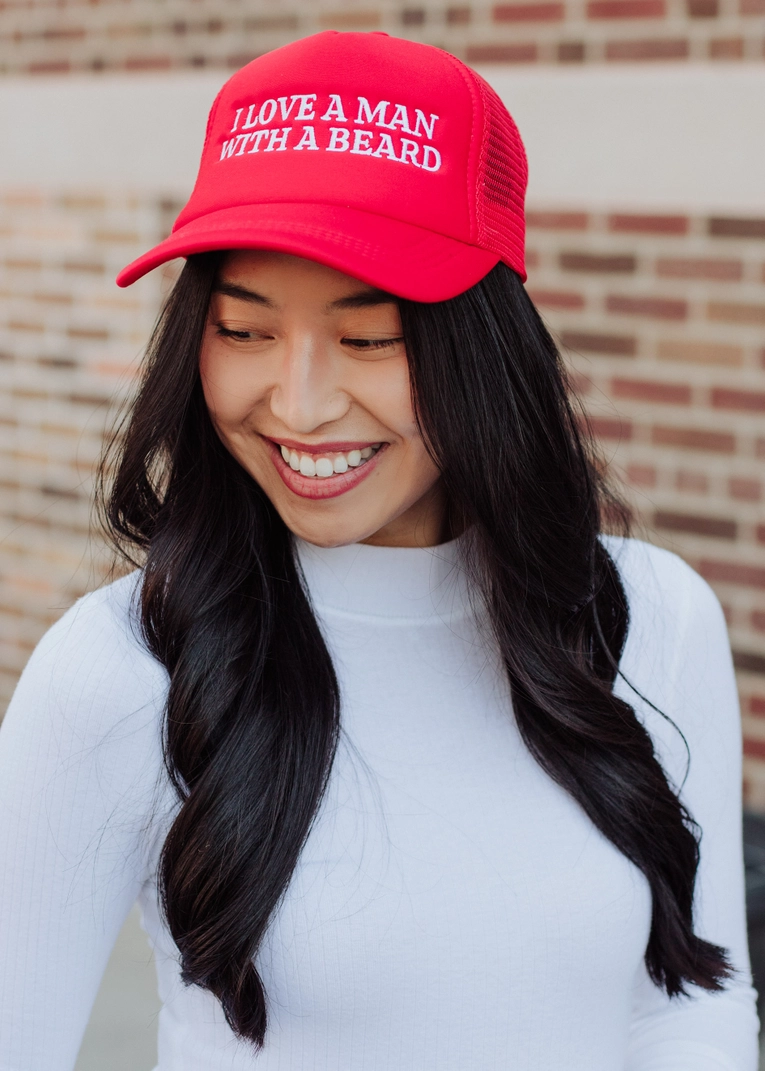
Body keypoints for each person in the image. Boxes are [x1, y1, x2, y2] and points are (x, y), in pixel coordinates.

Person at [0, 30, 759, 1071]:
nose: (299, 404)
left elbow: (687, 1008)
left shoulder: (650, 621)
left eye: (370, 338)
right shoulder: (118, 672)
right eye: (244, 328)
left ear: (485, 352)